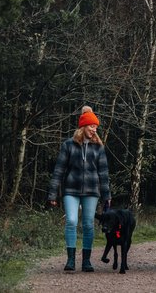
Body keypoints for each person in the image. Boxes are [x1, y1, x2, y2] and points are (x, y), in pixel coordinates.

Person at [47, 105, 111, 272]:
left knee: (89, 224)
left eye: (96, 127)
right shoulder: (68, 145)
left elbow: (103, 173)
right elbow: (59, 170)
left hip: (92, 191)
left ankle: (86, 261)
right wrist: (53, 193)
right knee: (72, 221)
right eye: (92, 126)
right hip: (71, 190)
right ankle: (70, 260)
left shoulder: (99, 147)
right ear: (83, 126)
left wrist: (106, 195)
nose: (94, 130)